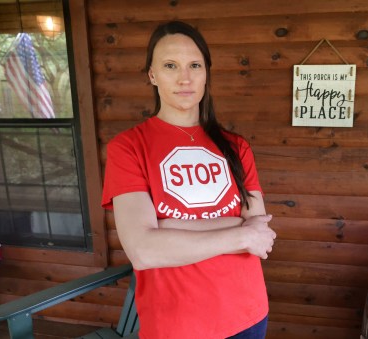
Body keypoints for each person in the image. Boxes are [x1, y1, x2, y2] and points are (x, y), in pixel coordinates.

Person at [101, 21, 276, 339]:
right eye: (170, 65)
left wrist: (166, 226)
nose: (184, 78)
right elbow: (143, 250)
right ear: (152, 75)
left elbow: (260, 230)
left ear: (206, 72)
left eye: (194, 65)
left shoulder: (237, 147)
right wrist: (240, 232)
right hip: (177, 324)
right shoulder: (128, 148)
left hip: (248, 313)